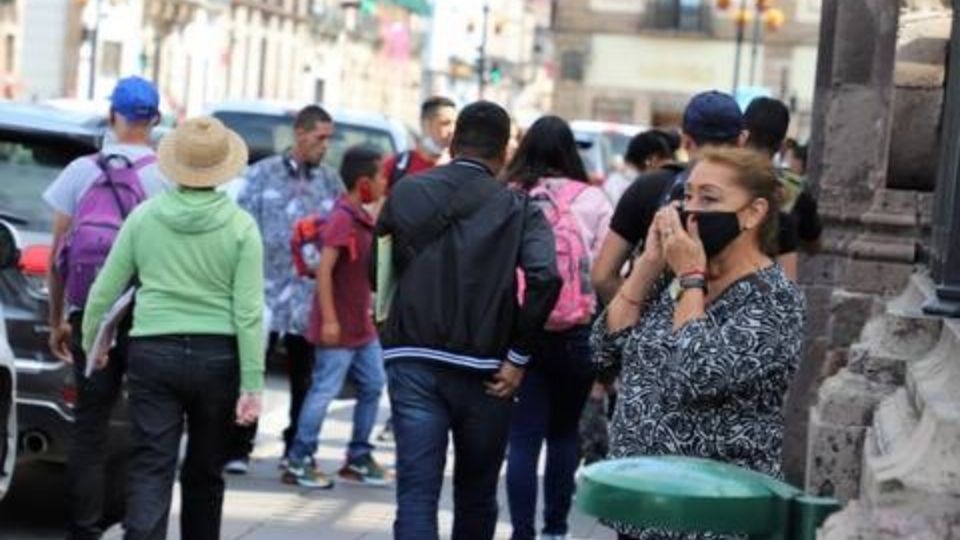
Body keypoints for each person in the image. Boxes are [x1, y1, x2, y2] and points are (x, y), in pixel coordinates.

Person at [592, 147, 806, 540]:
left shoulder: (774, 300)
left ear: (753, 213)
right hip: (641, 504)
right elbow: (604, 350)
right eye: (687, 196)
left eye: (709, 199)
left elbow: (695, 376)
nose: (691, 210)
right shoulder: (670, 277)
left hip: (710, 516)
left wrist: (692, 277)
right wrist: (648, 264)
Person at [375, 101, 562, 540]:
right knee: (476, 493)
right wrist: (518, 356)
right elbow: (545, 278)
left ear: (454, 143)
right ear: (504, 154)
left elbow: (378, 267)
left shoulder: (406, 192)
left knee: (417, 493)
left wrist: (389, 326)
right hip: (487, 369)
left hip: (413, 357)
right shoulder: (521, 209)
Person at [81, 117, 264, 540]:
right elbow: (249, 312)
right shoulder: (241, 228)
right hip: (219, 359)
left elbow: (105, 288)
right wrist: (252, 383)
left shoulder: (144, 218)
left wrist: (95, 340)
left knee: (151, 466)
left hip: (152, 354)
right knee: (205, 472)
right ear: (223, 167)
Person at [44, 75, 170, 540]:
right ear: (155, 120)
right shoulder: (166, 176)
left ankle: (84, 528)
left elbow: (60, 251)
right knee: (147, 427)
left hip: (89, 312)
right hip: (146, 315)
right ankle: (138, 525)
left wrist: (58, 317)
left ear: (113, 115)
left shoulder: (81, 171)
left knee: (90, 425)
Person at [501, 116, 613, 540]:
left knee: (524, 437)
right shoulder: (594, 200)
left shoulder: (511, 196)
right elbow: (607, 273)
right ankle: (556, 529)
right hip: (578, 332)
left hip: (522, 332)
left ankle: (522, 533)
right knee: (564, 434)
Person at [234, 105, 345, 472]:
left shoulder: (331, 182)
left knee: (305, 377)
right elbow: (240, 229)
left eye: (329, 138)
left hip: (308, 298)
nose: (325, 145)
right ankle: (237, 448)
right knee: (251, 370)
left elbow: (344, 235)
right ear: (300, 133)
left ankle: (296, 449)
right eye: (321, 137)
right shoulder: (260, 175)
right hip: (262, 292)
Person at [282, 145, 389, 489]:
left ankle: (358, 456)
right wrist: (329, 320)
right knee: (324, 390)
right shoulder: (343, 218)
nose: (385, 181)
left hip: (361, 325)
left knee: (373, 384)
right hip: (339, 326)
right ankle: (299, 458)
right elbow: (325, 271)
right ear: (363, 182)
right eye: (380, 176)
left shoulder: (364, 216)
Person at [591, 90, 747, 305]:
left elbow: (602, 276)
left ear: (685, 141)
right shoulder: (761, 201)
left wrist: (633, 321)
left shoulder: (649, 187)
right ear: (742, 140)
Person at [375, 96, 457, 442]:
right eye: (442, 123)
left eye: (454, 124)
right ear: (424, 124)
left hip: (444, 280)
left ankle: (422, 416)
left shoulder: (459, 167)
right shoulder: (400, 164)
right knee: (400, 351)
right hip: (404, 277)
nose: (448, 131)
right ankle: (399, 414)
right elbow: (379, 222)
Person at [744, 97, 823, 280]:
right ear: (781, 144)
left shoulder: (720, 177)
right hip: (768, 289)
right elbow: (814, 245)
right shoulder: (794, 188)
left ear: (743, 134)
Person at [382, 96, 457, 188]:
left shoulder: (456, 168)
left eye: (455, 124)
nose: (452, 130)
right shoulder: (397, 167)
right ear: (425, 125)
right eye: (445, 123)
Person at [604, 130, 677, 203]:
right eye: (664, 165)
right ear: (652, 160)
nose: (665, 172)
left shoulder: (616, 182)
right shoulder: (638, 187)